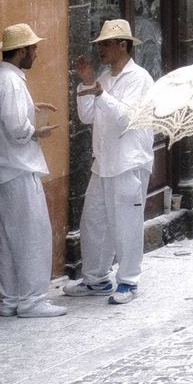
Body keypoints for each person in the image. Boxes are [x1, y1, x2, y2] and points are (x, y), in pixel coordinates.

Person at [64, 19, 155, 304]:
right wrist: (88, 83)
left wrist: (100, 94)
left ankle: (128, 280)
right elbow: (87, 117)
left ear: (122, 45)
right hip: (102, 163)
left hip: (129, 162)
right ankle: (96, 278)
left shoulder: (139, 78)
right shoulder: (103, 78)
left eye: (105, 44)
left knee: (127, 223)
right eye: (99, 44)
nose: (100, 49)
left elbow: (126, 118)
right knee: (93, 222)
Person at [0, 23, 66, 318]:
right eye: (32, 49)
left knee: (8, 238)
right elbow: (15, 126)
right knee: (33, 235)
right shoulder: (11, 82)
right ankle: (31, 301)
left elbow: (4, 114)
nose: (35, 53)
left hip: (0, 169)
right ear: (20, 51)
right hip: (17, 168)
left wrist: (30, 106)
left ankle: (10, 300)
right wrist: (35, 131)